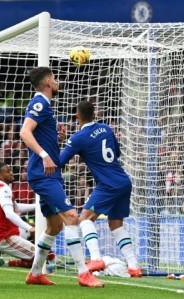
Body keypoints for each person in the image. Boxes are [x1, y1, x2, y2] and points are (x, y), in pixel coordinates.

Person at [19, 67, 103, 287]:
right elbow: (24, 132)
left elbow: (36, 133)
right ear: (48, 82)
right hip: (43, 174)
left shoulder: (46, 106)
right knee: (72, 217)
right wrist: (45, 155)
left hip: (49, 174)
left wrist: (55, 136)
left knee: (54, 226)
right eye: (54, 79)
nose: (57, 82)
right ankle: (83, 273)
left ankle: (35, 273)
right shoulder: (39, 103)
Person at [59, 100, 141, 277]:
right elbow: (116, 153)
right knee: (116, 224)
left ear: (76, 116)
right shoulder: (106, 128)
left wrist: (60, 142)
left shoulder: (77, 138)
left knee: (84, 219)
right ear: (94, 113)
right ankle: (134, 266)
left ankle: (96, 258)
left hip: (108, 184)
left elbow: (59, 163)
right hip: (123, 181)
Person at [0, 163, 53, 268]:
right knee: (40, 256)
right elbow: (9, 214)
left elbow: (16, 207)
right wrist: (29, 227)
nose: (11, 173)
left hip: (10, 231)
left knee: (41, 249)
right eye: (8, 171)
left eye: (11, 170)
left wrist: (37, 205)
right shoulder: (2, 190)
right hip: (3, 237)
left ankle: (5, 264)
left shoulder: (1, 187)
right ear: (0, 176)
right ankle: (56, 262)